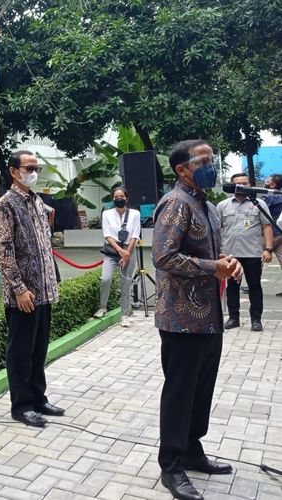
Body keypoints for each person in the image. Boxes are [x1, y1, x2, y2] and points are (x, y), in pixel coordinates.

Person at [153, 139, 242, 500]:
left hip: (208, 316)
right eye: (203, 160)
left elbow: (208, 252)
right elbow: (163, 257)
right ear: (182, 169)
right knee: (180, 392)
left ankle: (192, 449)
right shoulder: (176, 203)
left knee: (201, 389)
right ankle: (171, 466)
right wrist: (212, 267)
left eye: (212, 159)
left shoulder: (203, 203)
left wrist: (228, 263)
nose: (211, 165)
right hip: (181, 319)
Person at [0, 150, 64, 428]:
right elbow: (5, 252)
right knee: (21, 351)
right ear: (13, 171)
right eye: (29, 167)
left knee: (38, 349)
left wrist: (51, 282)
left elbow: (44, 245)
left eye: (37, 168)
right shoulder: (5, 205)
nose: (34, 172)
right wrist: (19, 289)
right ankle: (21, 405)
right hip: (23, 295)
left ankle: (38, 397)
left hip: (43, 291)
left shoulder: (37, 202)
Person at [216, 173, 273, 332]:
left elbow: (267, 226)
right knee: (232, 287)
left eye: (245, 183)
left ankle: (256, 319)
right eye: (238, 183)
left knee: (254, 286)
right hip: (230, 255)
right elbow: (217, 229)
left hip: (253, 253)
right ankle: (234, 318)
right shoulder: (223, 205)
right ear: (233, 186)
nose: (242, 186)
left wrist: (268, 250)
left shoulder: (259, 203)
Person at [94, 186, 141, 327]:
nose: (119, 199)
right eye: (116, 197)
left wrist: (127, 253)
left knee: (125, 283)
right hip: (112, 252)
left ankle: (125, 315)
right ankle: (103, 307)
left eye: (121, 196)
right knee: (105, 279)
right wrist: (121, 251)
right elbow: (107, 235)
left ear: (127, 198)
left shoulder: (135, 214)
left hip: (129, 251)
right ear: (112, 199)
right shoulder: (107, 213)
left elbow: (134, 235)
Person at [263, 174, 282, 296]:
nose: (265, 182)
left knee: (257, 260)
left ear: (273, 185)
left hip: (268, 234)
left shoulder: (269, 198)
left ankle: (252, 284)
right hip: (280, 234)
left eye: (267, 181)